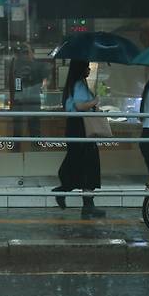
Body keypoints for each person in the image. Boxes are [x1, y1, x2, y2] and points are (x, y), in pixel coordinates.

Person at [52, 60, 106, 219]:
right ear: (80, 68)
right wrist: (94, 102)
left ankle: (81, 200)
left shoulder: (73, 84)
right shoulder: (79, 85)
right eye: (86, 66)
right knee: (88, 164)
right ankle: (83, 202)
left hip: (75, 126)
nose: (89, 69)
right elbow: (80, 106)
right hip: (81, 127)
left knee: (80, 162)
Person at [8, 43, 49, 140]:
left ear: (32, 53)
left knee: (34, 128)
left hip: (32, 101)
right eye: (24, 52)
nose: (25, 55)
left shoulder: (37, 66)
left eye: (27, 52)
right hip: (20, 102)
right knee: (18, 129)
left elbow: (44, 82)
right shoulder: (16, 64)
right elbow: (15, 84)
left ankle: (35, 149)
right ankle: (17, 149)